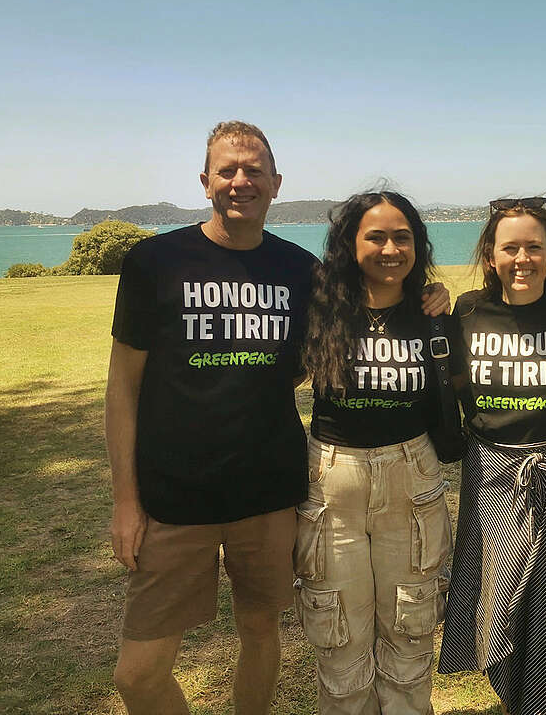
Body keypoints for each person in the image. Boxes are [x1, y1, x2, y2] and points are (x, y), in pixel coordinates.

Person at [107, 121, 318, 715]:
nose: (240, 181)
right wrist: (126, 499)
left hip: (268, 492)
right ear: (205, 182)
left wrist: (432, 299)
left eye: (254, 170)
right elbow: (123, 385)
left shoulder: (302, 271)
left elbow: (307, 361)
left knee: (261, 632)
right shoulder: (155, 260)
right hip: (173, 498)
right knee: (138, 674)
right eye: (227, 170)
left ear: (276, 183)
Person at [438, 197, 546, 715]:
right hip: (490, 471)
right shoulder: (465, 311)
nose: (522, 258)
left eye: (535, 246)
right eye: (510, 247)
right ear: (491, 255)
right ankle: (513, 698)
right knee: (500, 607)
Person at [297, 191, 454, 714]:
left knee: (410, 633)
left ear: (418, 244)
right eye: (376, 236)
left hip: (412, 477)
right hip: (332, 480)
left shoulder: (433, 314)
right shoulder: (320, 310)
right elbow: (270, 381)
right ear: (350, 243)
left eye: (403, 236)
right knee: (339, 638)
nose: (391, 248)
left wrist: (444, 300)